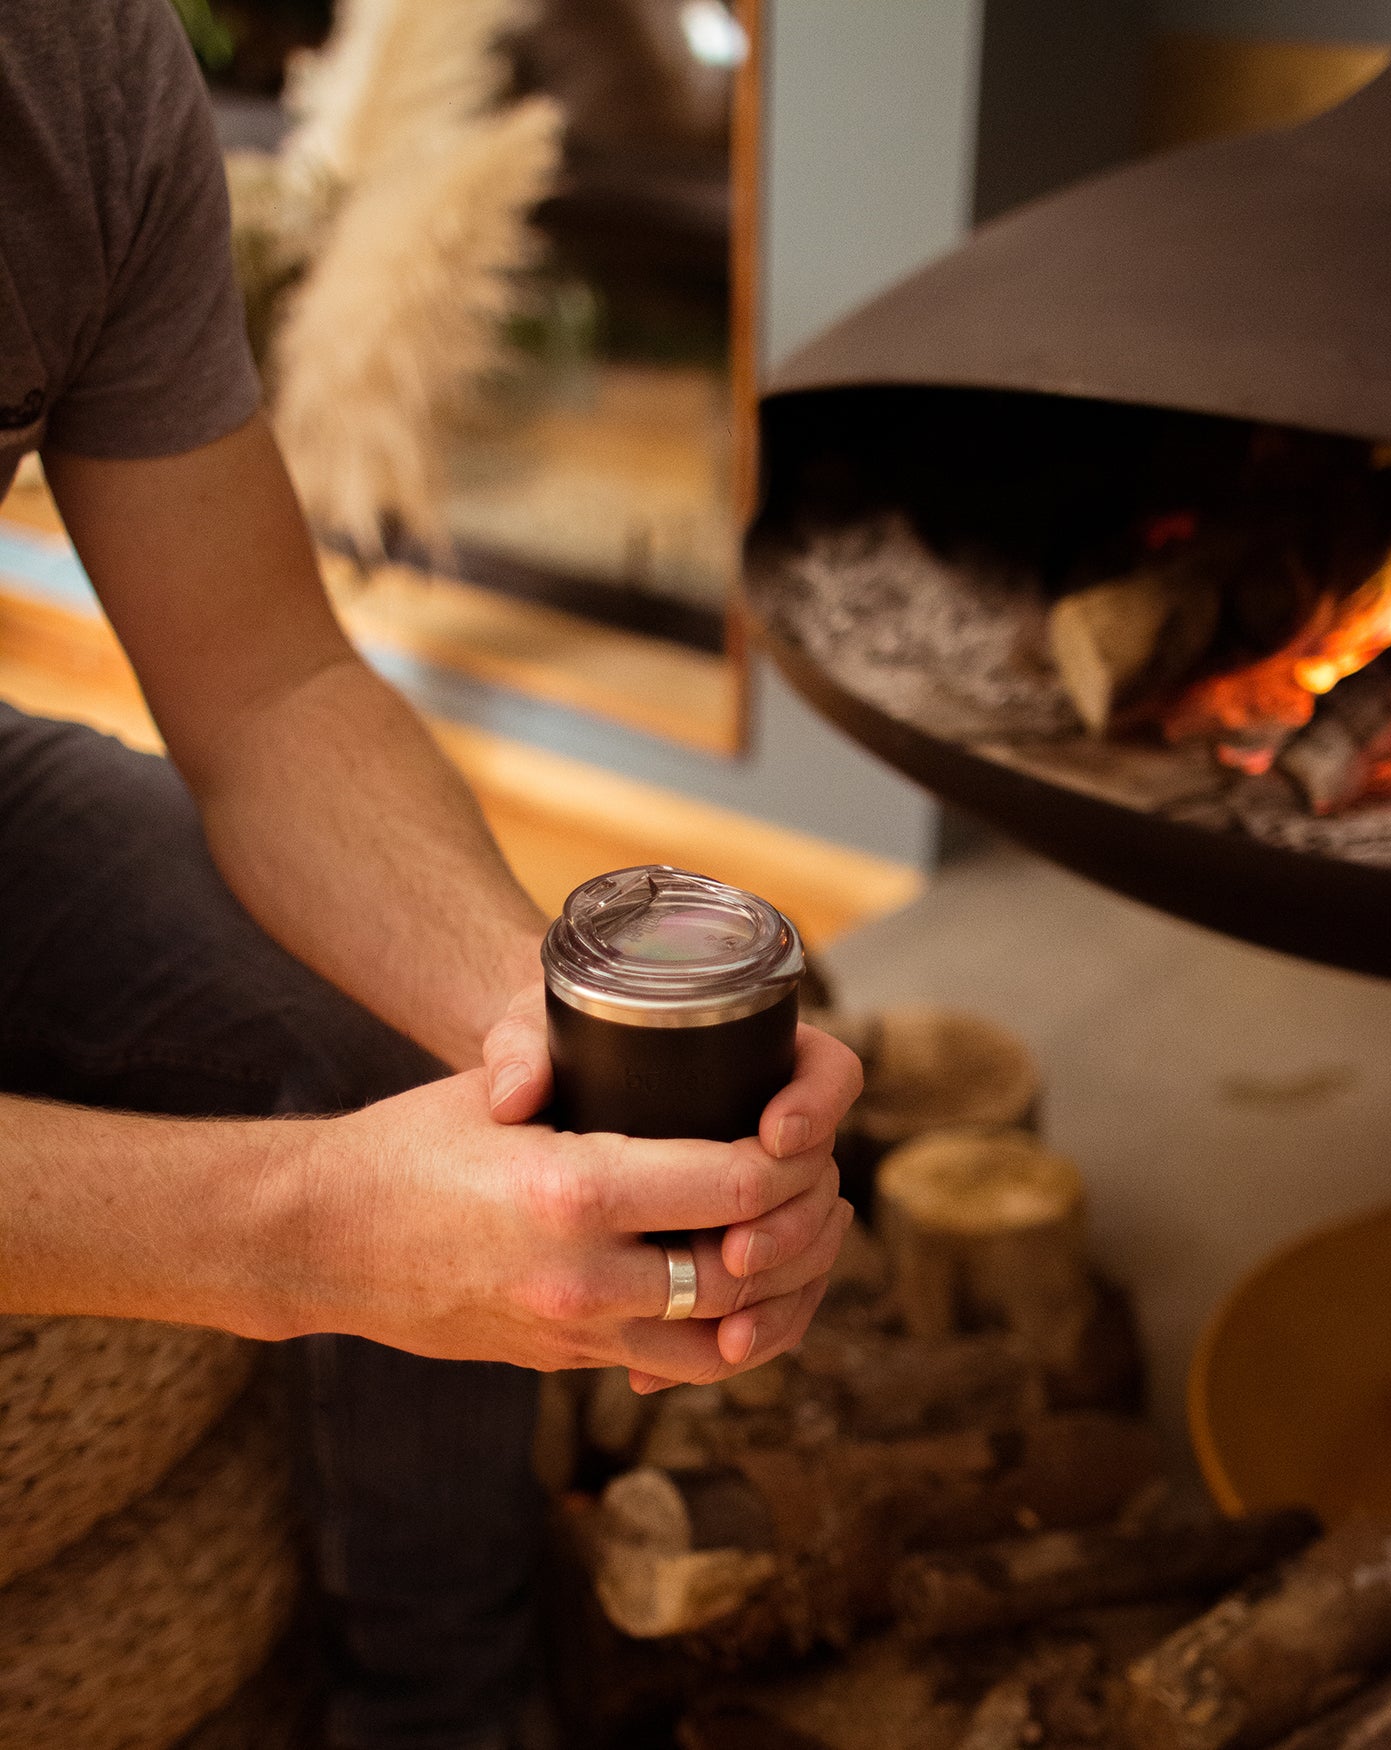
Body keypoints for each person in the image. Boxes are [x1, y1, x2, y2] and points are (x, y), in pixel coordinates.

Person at [0, 3, 860, 1746]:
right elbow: (309, 1224)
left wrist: (563, 1044)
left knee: (433, 1048)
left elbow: (270, 684)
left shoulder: (76, 64)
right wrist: (304, 1231)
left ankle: (446, 1710)